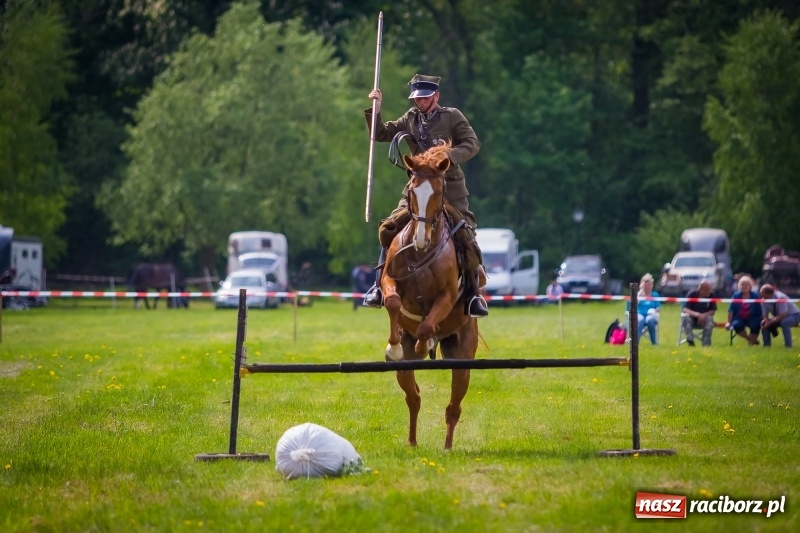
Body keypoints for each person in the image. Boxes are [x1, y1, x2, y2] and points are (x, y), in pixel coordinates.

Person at [361, 74, 487, 317]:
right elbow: (380, 134)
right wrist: (376, 108)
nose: (421, 102)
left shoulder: (452, 116)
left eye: (426, 98)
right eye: (417, 98)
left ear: (436, 96)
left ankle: (473, 295)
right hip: (418, 190)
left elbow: (472, 144)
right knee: (388, 229)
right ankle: (377, 287)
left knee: (466, 236)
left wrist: (447, 156)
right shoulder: (410, 118)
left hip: (449, 190)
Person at [726, 275, 762, 345]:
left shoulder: (755, 295)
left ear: (750, 286)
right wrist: (728, 322)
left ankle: (751, 344)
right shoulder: (736, 295)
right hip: (739, 317)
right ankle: (750, 339)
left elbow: (759, 309)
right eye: (742, 285)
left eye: (746, 285)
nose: (744, 286)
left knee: (755, 325)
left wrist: (761, 319)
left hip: (753, 317)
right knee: (736, 325)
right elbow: (731, 309)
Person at [681, 280, 717, 346]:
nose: (709, 291)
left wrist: (703, 316)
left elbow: (713, 311)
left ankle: (706, 344)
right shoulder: (692, 294)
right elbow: (685, 309)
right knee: (686, 317)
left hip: (705, 319)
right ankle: (690, 339)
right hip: (692, 319)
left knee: (710, 319)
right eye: (707, 290)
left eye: (709, 289)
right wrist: (698, 315)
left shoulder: (711, 295)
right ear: (701, 289)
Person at [635, 273, 661, 344]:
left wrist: (655, 311)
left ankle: (654, 342)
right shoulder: (639, 294)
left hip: (651, 315)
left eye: (650, 285)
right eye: (647, 285)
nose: (649, 287)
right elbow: (634, 304)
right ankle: (636, 342)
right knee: (640, 320)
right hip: (639, 314)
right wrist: (641, 291)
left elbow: (658, 307)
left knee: (650, 320)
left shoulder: (655, 295)